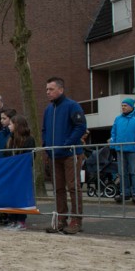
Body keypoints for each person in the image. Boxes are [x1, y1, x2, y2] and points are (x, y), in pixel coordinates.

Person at [41, 77, 87, 234]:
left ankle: (76, 219)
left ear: (61, 90)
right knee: (58, 188)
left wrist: (67, 143)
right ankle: (61, 218)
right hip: (54, 155)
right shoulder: (48, 109)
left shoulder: (72, 106)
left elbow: (80, 126)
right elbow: (44, 130)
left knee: (73, 187)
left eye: (51, 89)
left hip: (70, 154)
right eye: (47, 89)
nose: (48, 92)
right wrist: (46, 146)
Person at [110, 98, 135, 204]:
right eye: (122, 106)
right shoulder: (118, 118)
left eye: (125, 105)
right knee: (122, 173)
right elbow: (113, 133)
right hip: (120, 149)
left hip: (133, 149)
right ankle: (125, 193)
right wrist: (112, 147)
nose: (123, 107)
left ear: (132, 106)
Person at [4, 114, 36, 230]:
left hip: (22, 174)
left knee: (20, 196)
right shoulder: (10, 139)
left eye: (11, 124)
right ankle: (12, 219)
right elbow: (5, 154)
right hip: (11, 173)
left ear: (17, 125)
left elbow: (29, 157)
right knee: (11, 196)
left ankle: (21, 220)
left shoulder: (28, 140)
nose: (9, 126)